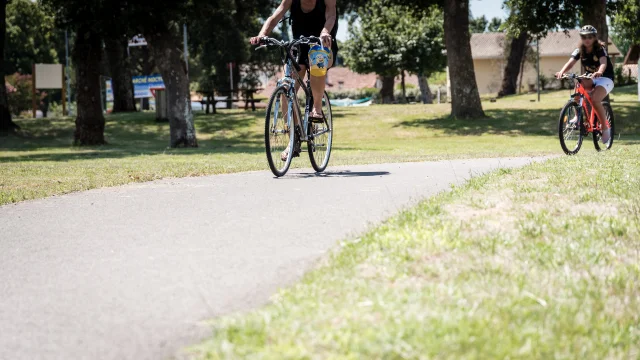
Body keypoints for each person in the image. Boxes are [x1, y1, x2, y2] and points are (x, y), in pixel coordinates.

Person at [250, 0, 338, 118]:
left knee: (317, 61)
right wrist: (262, 34)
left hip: (322, 44)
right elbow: (275, 16)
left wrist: (325, 31)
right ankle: (294, 130)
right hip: (298, 45)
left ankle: (317, 109)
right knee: (287, 85)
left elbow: (331, 14)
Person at [556, 25, 614, 144]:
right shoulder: (579, 50)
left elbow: (603, 62)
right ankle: (578, 115)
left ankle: (605, 127)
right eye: (584, 37)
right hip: (590, 77)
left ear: (594, 38)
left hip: (605, 78)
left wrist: (600, 71)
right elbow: (571, 62)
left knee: (595, 99)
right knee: (579, 84)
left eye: (590, 37)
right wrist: (562, 71)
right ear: (581, 38)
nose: (587, 39)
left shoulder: (600, 49)